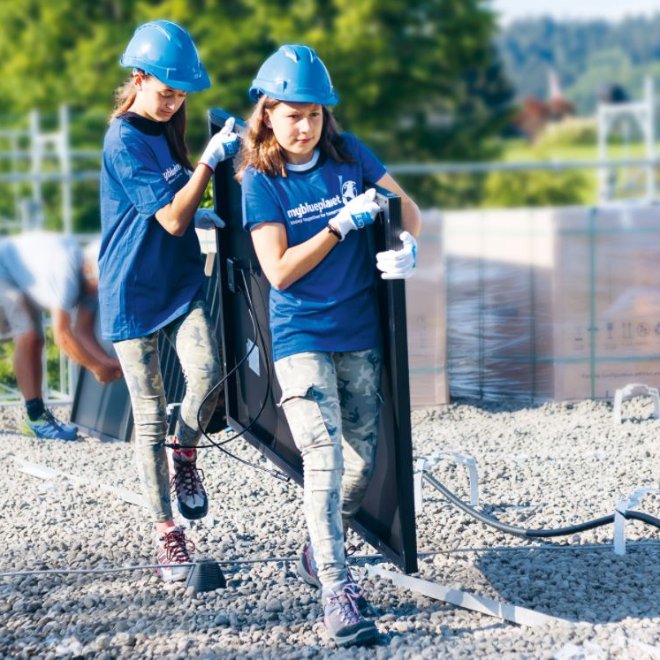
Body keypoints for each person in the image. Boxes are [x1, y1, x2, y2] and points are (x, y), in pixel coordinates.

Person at [237, 44, 421, 647]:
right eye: (292, 115)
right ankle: (338, 592)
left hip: (359, 334)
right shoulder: (260, 182)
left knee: (363, 465)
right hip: (301, 337)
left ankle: (320, 548)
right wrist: (340, 224)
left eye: (314, 114)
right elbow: (280, 271)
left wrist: (406, 243)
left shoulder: (349, 155)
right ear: (267, 113)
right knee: (325, 458)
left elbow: (408, 208)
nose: (305, 126)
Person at [98, 20, 239, 583]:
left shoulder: (167, 126)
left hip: (178, 281)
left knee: (206, 375)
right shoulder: (123, 139)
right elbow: (172, 215)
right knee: (149, 417)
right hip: (132, 291)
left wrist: (198, 196)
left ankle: (187, 452)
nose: (172, 103)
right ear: (138, 78)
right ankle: (167, 534)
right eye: (164, 92)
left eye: (180, 94)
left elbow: (180, 205)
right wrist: (207, 163)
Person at [0, 230, 121, 441]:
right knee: (28, 335)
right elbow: (63, 336)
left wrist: (109, 362)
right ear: (88, 269)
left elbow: (82, 332)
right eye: (97, 285)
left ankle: (36, 417)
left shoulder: (94, 283)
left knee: (34, 339)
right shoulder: (66, 274)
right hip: (4, 269)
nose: (97, 293)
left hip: (22, 276)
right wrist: (97, 367)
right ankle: (36, 418)